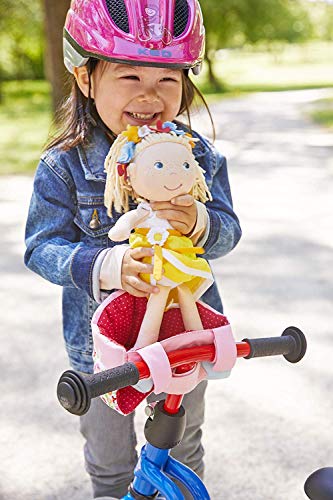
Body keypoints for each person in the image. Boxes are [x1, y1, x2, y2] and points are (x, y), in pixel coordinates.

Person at [24, 0, 242, 498]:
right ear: (85, 78)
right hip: (103, 351)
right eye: (129, 77)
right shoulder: (65, 165)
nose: (150, 96)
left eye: (168, 79)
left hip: (184, 339)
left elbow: (229, 231)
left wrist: (201, 221)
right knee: (110, 463)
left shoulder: (198, 156)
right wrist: (107, 264)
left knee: (181, 450)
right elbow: (41, 248)